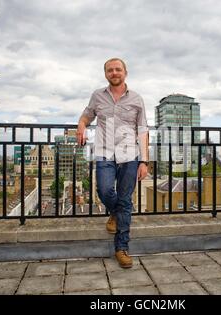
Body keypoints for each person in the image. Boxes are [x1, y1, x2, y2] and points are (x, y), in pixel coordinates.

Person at [77, 58, 149, 268]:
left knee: (125, 199)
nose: (114, 72)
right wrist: (81, 125)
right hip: (104, 153)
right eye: (110, 70)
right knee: (105, 189)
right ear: (106, 74)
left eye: (118, 69)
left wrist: (144, 161)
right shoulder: (97, 96)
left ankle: (122, 248)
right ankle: (116, 213)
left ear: (125, 72)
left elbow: (143, 130)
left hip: (130, 156)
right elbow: (87, 115)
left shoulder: (136, 99)